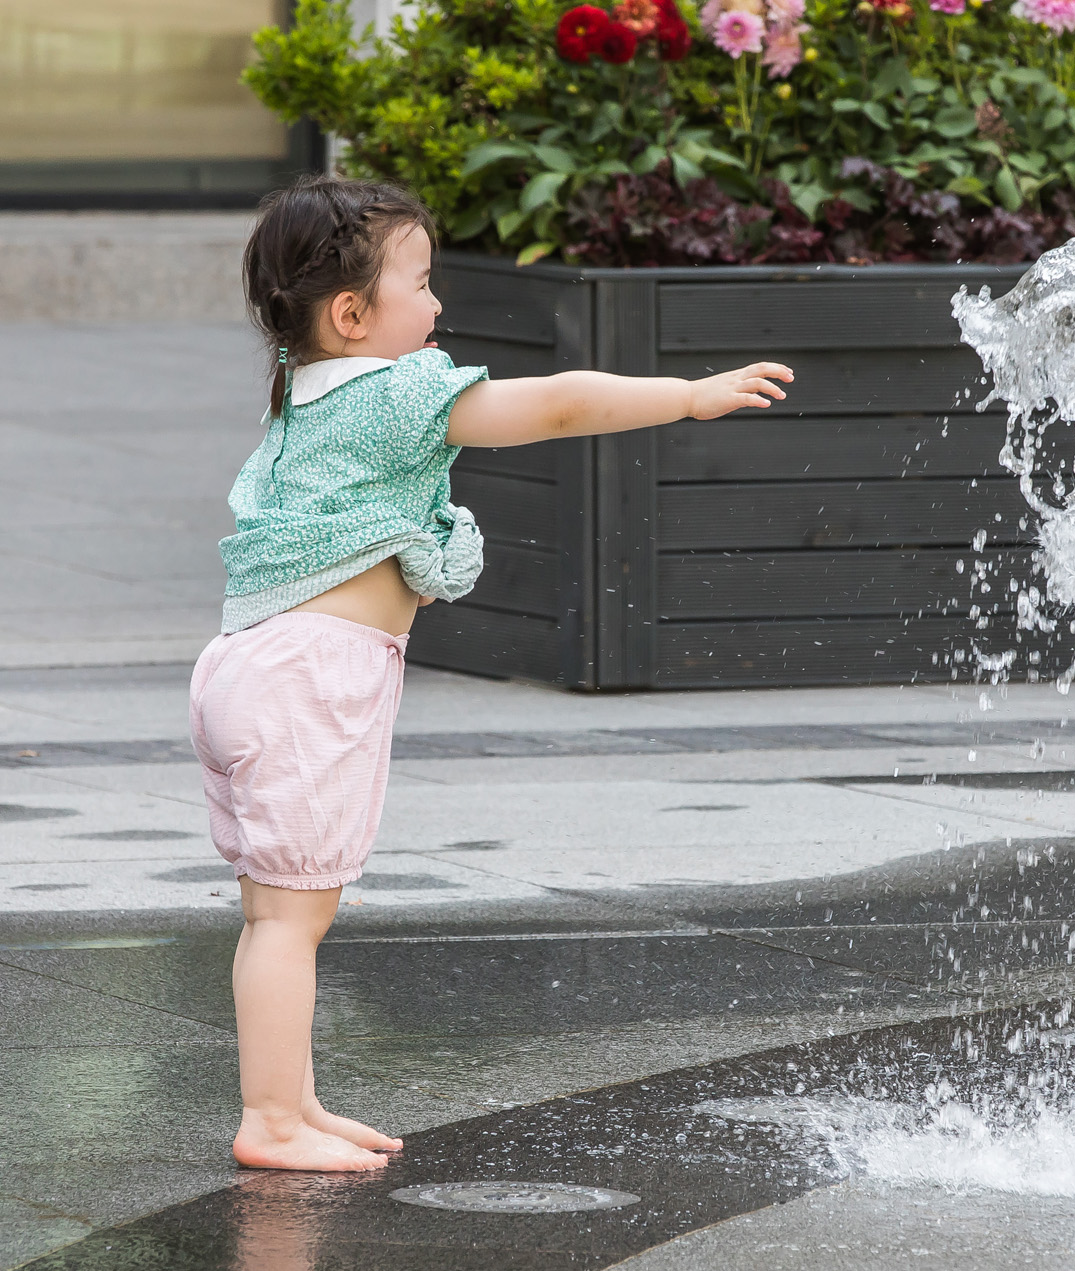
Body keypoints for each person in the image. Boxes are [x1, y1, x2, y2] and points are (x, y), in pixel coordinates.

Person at [192, 175, 793, 1171]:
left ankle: (293, 1097)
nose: (437, 307)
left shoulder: (305, 394)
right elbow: (553, 406)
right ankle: (272, 1118)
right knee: (292, 918)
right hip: (308, 678)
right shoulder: (397, 391)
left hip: (248, 666)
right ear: (351, 314)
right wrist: (686, 396)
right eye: (420, 284)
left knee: (279, 911)